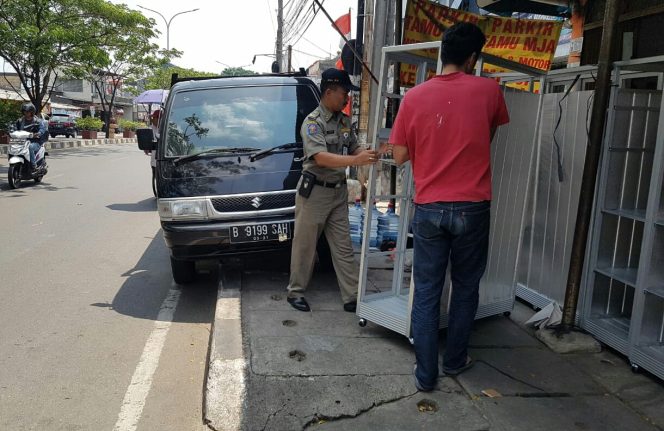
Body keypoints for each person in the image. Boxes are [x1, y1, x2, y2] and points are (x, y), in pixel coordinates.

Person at [388, 22, 510, 391]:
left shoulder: (413, 98)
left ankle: (426, 376)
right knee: (466, 287)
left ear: (442, 53)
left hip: (429, 207)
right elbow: (486, 137)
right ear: (473, 58)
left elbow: (399, 156)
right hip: (472, 207)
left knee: (426, 290)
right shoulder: (490, 91)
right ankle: (455, 360)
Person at [286, 68, 378, 313]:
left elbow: (354, 148)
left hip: (337, 194)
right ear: (329, 92)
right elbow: (320, 158)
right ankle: (295, 292)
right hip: (314, 193)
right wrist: (355, 161)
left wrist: (368, 154)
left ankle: (352, 297)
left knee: (343, 247)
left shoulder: (344, 121)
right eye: (344, 93)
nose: (347, 98)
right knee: (305, 247)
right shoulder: (313, 122)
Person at [15, 102, 48, 171]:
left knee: (30, 147)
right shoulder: (20, 121)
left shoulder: (38, 121)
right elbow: (14, 128)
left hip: (36, 141)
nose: (26, 113)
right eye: (25, 111)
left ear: (32, 112)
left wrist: (38, 133)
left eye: (28, 112)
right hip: (23, 141)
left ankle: (33, 165)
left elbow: (42, 129)